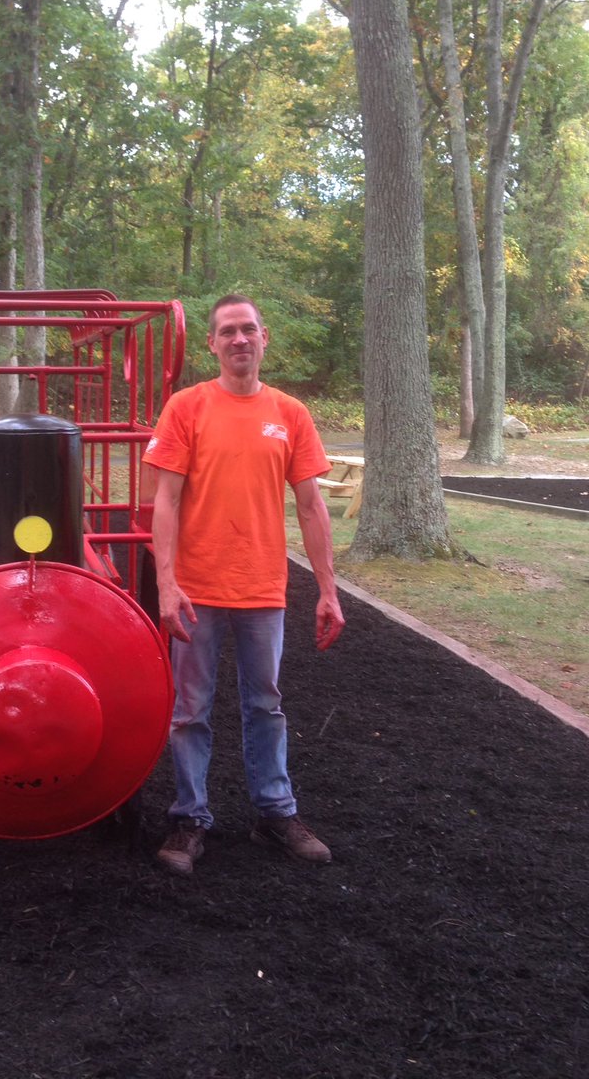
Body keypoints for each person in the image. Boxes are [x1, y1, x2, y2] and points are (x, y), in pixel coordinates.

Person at [142, 293, 345, 876]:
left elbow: (311, 507)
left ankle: (275, 812)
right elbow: (166, 502)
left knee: (266, 706)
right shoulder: (187, 407)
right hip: (197, 590)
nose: (239, 339)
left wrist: (328, 590)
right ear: (212, 343)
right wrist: (167, 585)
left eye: (248, 329)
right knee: (190, 710)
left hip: (262, 589)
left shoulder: (290, 413)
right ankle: (189, 817)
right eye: (227, 331)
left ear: (264, 339)